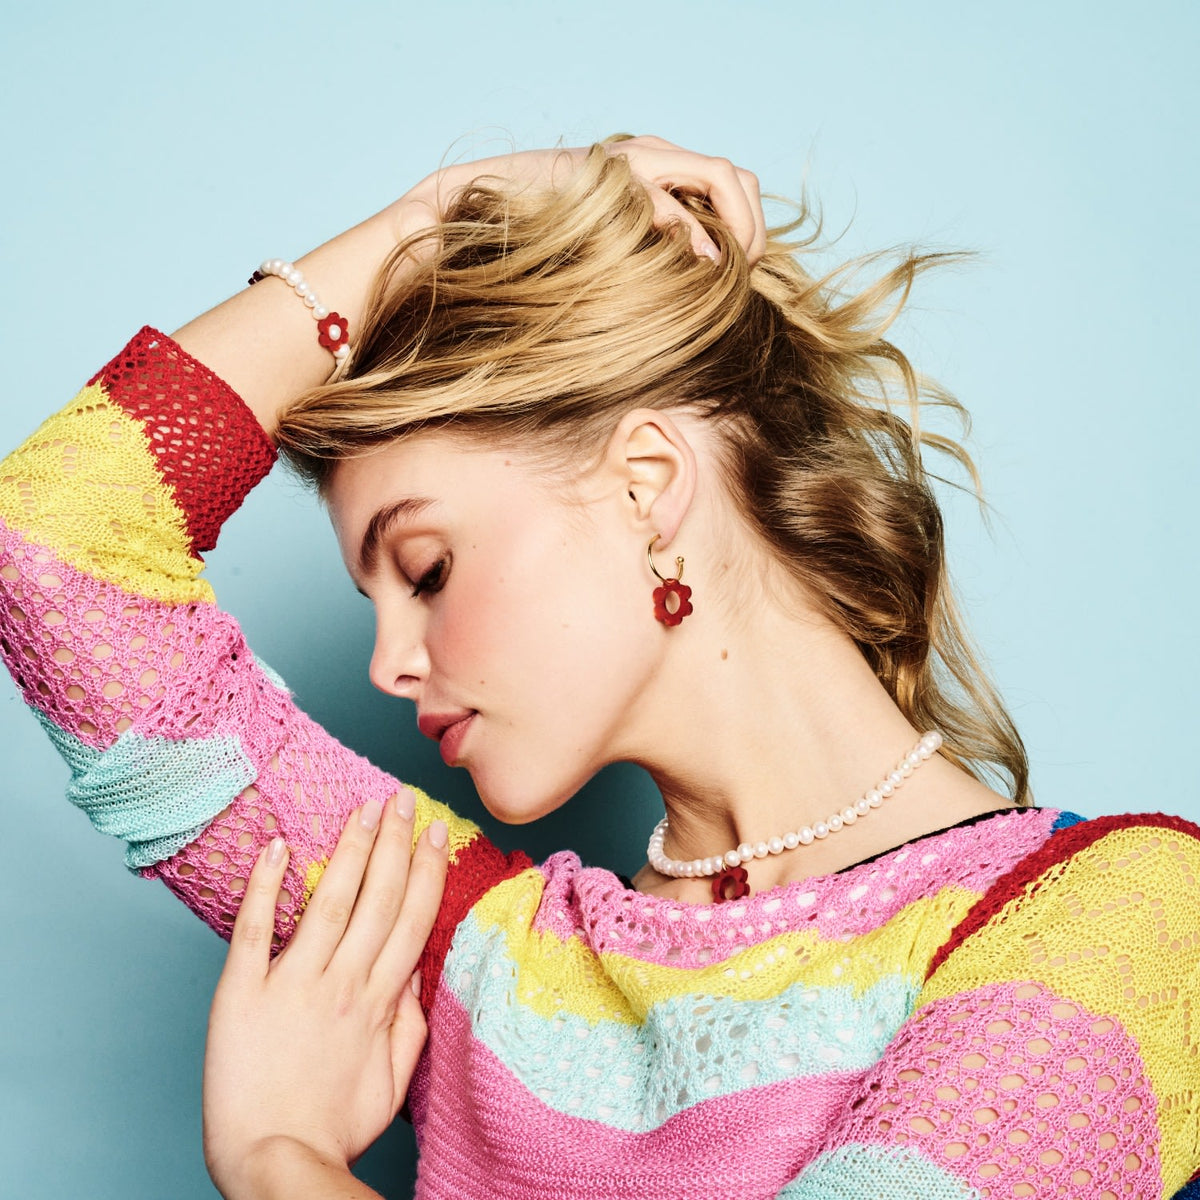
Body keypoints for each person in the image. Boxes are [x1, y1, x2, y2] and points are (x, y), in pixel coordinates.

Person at [1, 135, 1196, 1199]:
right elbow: (49, 553)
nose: (388, 666)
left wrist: (281, 1165)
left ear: (646, 486)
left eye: (427, 569)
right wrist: (437, 214)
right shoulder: (472, 959)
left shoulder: (1130, 921)